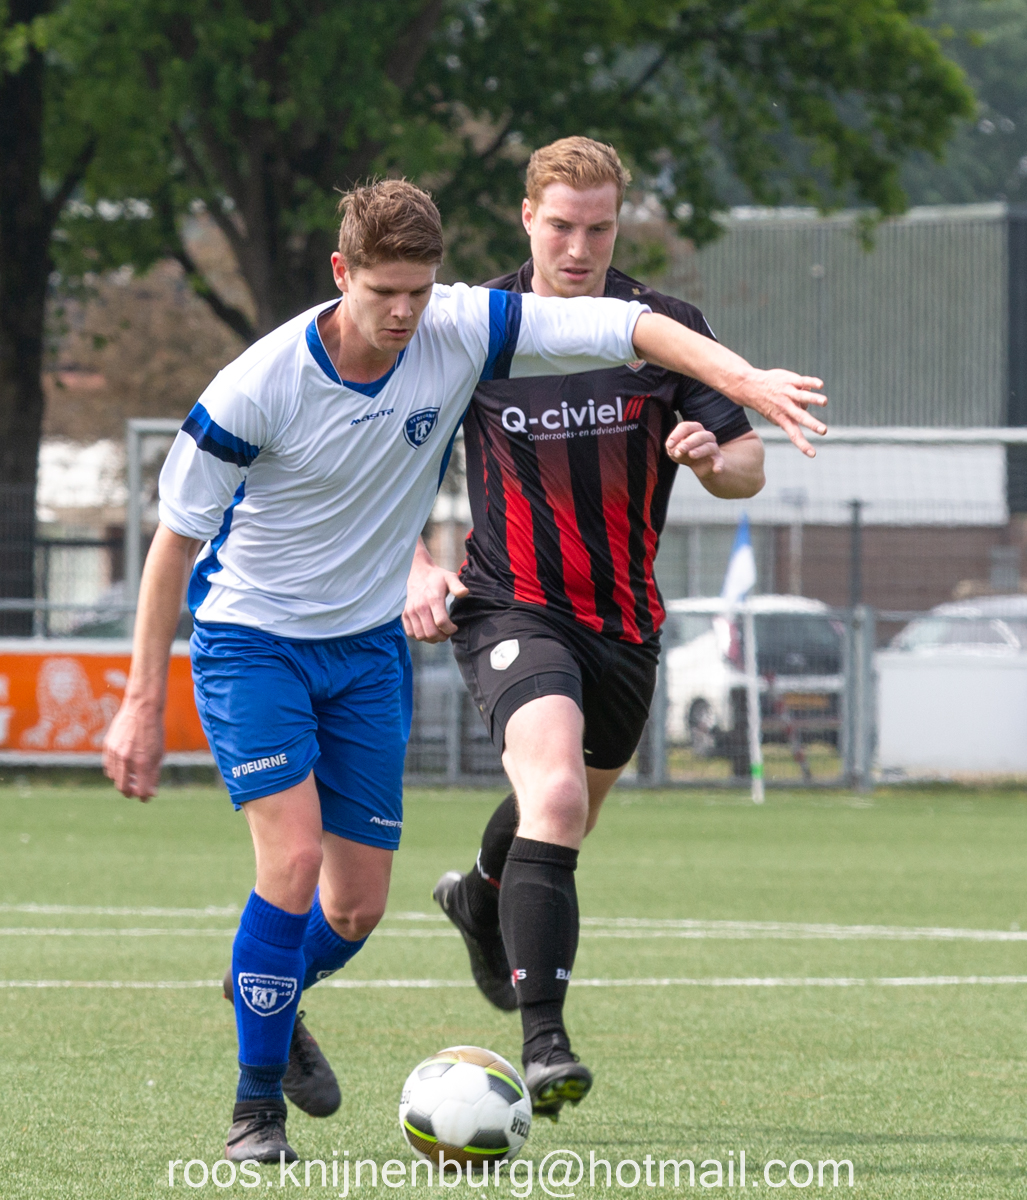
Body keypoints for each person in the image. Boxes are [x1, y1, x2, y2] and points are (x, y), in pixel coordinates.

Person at [103, 177, 824, 1163]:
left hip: (367, 651)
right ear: (340, 274)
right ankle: (254, 1112)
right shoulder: (257, 384)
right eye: (382, 293)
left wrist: (744, 384)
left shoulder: (459, 327)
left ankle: (263, 985)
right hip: (253, 641)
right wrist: (140, 701)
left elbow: (630, 327)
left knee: (354, 908)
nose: (403, 313)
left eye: (418, 290)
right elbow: (172, 546)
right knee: (294, 864)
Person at [404, 139, 811, 1120]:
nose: (579, 248)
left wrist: (710, 459)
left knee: (562, 811)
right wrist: (414, 563)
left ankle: (479, 896)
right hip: (509, 604)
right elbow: (391, 453)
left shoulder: (663, 328)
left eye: (599, 228)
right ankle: (544, 1043)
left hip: (624, 622)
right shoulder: (473, 327)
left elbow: (749, 464)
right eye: (560, 226)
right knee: (549, 791)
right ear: (526, 218)